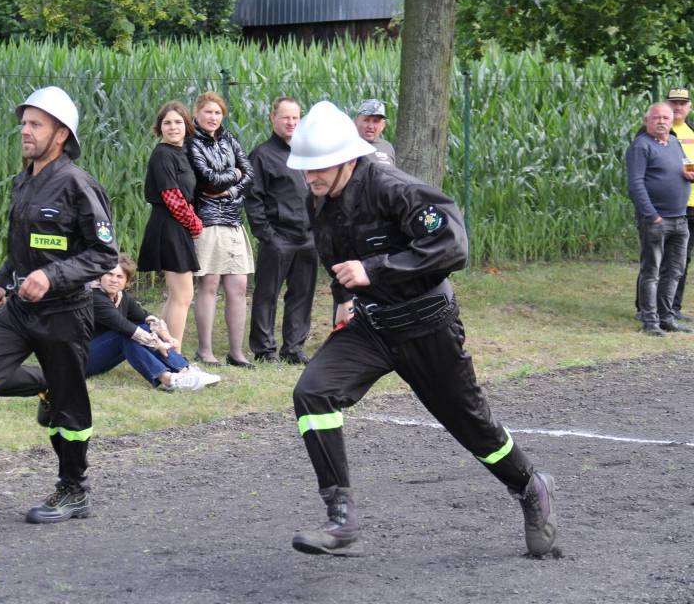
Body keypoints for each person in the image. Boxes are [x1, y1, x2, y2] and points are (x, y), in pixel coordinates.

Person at [285, 100, 557, 558]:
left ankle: (530, 486)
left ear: (348, 159)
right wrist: (346, 298)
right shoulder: (322, 199)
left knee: (474, 430)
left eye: (319, 167)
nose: (310, 177)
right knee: (312, 392)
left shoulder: (394, 189)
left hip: (427, 326)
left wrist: (375, 269)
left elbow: (452, 246)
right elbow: (339, 259)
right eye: (305, 168)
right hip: (373, 327)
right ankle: (341, 516)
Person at [0, 86, 118, 525]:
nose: (25, 130)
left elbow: (104, 255)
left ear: (61, 135)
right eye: (24, 123)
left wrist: (52, 276)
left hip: (66, 313)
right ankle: (46, 383)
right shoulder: (23, 181)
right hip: (21, 310)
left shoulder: (79, 185)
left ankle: (73, 490)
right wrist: (1, 280)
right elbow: (23, 246)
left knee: (70, 410)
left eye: (35, 124)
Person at [245, 96, 318, 365]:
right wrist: (268, 236)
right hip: (278, 237)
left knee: (302, 294)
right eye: (285, 117)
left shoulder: (306, 153)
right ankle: (265, 350)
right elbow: (253, 199)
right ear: (272, 118)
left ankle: (294, 349)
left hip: (308, 237)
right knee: (267, 294)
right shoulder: (262, 155)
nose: (291, 122)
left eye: (295, 118)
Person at [187, 91, 256, 368]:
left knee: (238, 286)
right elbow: (208, 180)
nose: (213, 117)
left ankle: (236, 353)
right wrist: (234, 176)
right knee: (210, 284)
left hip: (233, 220)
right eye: (208, 112)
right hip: (207, 221)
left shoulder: (229, 139)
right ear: (197, 113)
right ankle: (205, 350)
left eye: (217, 113)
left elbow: (249, 173)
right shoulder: (191, 142)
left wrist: (230, 191)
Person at [89, 254, 220, 391]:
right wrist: (158, 344)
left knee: (144, 327)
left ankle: (185, 370)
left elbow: (146, 317)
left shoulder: (121, 297)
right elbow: (125, 327)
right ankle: (169, 380)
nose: (114, 280)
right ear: (100, 275)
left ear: (126, 281)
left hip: (100, 354)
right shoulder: (94, 297)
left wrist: (167, 337)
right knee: (127, 335)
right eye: (109, 274)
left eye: (119, 276)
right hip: (81, 361)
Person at [137, 101, 203, 348]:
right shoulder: (163, 154)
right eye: (167, 123)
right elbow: (172, 197)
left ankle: (161, 350)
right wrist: (195, 224)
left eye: (178, 122)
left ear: (186, 126)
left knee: (178, 295)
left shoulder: (180, 152)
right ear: (160, 127)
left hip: (176, 226)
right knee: (183, 295)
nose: (173, 127)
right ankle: (175, 356)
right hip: (169, 227)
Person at [627, 101, 693, 337]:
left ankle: (667, 317)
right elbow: (635, 184)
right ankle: (650, 321)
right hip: (656, 220)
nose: (662, 122)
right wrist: (651, 215)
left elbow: (685, 164)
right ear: (647, 121)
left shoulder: (674, 142)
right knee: (652, 271)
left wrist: (689, 172)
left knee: (674, 270)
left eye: (666, 118)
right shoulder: (641, 146)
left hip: (680, 218)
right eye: (656, 118)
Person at [664, 88, 694, 321]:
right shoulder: (660, 130)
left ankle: (673, 307)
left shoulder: (692, 129)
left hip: (692, 205)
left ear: (689, 107)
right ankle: (647, 308)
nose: (678, 107)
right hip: (671, 205)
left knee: (683, 259)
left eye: (682, 103)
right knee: (661, 259)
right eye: (673, 102)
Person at [353, 98, 395, 166]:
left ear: (383, 125)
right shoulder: (348, 146)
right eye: (366, 120)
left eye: (376, 121)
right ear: (355, 122)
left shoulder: (387, 147)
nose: (370, 126)